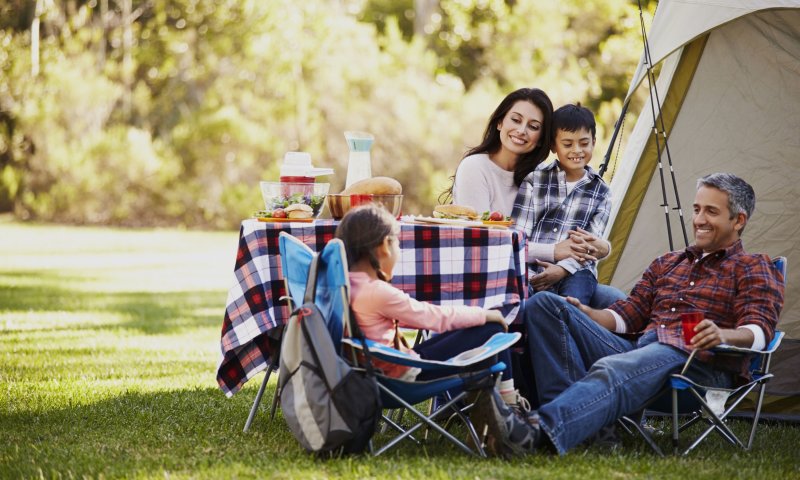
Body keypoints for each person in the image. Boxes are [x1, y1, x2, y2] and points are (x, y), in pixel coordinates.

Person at [485, 172, 784, 455]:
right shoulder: (667, 263)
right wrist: (585, 312)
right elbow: (626, 316)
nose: (699, 220)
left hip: (696, 363)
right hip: (640, 348)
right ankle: (588, 431)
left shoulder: (754, 266)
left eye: (711, 212)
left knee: (616, 368)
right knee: (545, 305)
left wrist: (722, 334)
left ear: (738, 220)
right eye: (696, 209)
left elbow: (760, 330)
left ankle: (534, 434)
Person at [334, 204, 527, 410]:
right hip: (404, 378)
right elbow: (434, 318)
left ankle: (490, 405)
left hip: (375, 375)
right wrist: (485, 314)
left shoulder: (344, 285)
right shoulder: (377, 292)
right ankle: (508, 405)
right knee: (491, 328)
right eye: (398, 244)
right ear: (384, 246)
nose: (398, 251)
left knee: (478, 327)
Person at [444, 88, 623, 309]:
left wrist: (603, 247)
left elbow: (592, 236)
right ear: (499, 122)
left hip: (565, 272)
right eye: (516, 120)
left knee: (616, 300)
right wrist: (554, 250)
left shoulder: (536, 175)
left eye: (533, 126)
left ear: (542, 139)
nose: (522, 130)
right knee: (548, 307)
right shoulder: (477, 168)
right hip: (491, 272)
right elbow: (483, 241)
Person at [511, 103, 612, 305]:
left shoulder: (602, 192)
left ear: (593, 141)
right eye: (567, 144)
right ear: (553, 146)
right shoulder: (535, 181)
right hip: (531, 270)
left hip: (576, 272)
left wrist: (562, 269)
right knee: (529, 304)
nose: (577, 150)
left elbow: (590, 246)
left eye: (584, 143)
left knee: (570, 308)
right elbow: (517, 239)